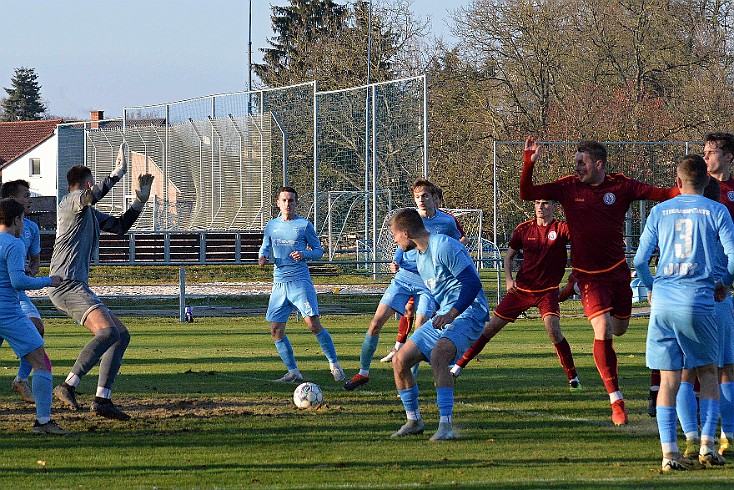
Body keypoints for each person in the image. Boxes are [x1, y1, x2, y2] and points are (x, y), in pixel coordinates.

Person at [520, 136, 679, 425]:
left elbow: (663, 193)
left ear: (598, 164)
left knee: (619, 330)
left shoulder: (621, 186)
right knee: (603, 330)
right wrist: (528, 163)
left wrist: (690, 187)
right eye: (576, 162)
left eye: (582, 162)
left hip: (618, 273)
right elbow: (527, 191)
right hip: (589, 277)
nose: (577, 166)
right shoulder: (568, 186)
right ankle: (616, 401)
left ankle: (655, 380)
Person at [634, 154, 734, 471]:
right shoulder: (716, 210)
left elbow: (638, 261)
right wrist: (724, 284)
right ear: (707, 182)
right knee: (708, 372)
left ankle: (669, 455)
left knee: (669, 380)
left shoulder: (660, 211)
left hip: (662, 303)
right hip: (698, 300)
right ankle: (707, 446)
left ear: (677, 182)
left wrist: (652, 286)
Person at [51, 143, 154, 421]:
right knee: (107, 333)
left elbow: (120, 227)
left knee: (120, 335)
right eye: (92, 185)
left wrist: (139, 202)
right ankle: (68, 385)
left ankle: (102, 399)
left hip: (77, 286)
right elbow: (91, 197)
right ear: (85, 184)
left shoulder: (88, 213)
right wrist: (118, 173)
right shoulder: (70, 201)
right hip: (66, 284)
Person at [450, 200, 581, 391]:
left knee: (554, 331)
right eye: (537, 203)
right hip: (521, 291)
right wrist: (509, 280)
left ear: (554, 207)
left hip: (547, 292)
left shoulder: (561, 228)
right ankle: (458, 367)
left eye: (545, 204)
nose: (540, 207)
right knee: (490, 330)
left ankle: (573, 378)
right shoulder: (524, 229)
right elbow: (508, 257)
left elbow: (580, 240)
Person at [388, 208, 489, 440]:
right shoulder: (420, 257)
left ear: (405, 232)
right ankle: (413, 421)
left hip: (469, 313)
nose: (394, 240)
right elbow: (437, 292)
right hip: (445, 314)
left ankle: (445, 426)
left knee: (439, 355)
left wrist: (452, 314)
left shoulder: (444, 246)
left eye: (394, 235)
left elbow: (472, 284)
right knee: (399, 360)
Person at [258, 186, 345, 383]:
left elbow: (318, 251)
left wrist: (304, 254)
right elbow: (265, 246)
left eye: (291, 200)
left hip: (300, 282)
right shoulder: (271, 226)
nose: (288, 204)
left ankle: (334, 364)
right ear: (278, 203)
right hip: (279, 284)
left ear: (297, 203)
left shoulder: (304, 225)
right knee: (275, 330)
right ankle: (293, 372)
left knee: (313, 325)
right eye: (284, 200)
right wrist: (262, 256)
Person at [0, 198, 67, 434]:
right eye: (23, 219)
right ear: (17, 219)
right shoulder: (14, 243)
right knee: (42, 362)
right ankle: (43, 422)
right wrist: (49, 280)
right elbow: (18, 282)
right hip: (8, 312)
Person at [380, 180, 465, 363]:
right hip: (410, 275)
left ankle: (441, 354)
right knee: (410, 310)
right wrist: (397, 261)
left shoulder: (447, 220)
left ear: (436, 199)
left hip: (433, 277)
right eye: (418, 197)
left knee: (433, 317)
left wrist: (452, 253)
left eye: (426, 196)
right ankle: (401, 348)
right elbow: (403, 240)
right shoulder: (412, 218)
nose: (422, 200)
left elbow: (460, 238)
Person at [701, 131, 734, 456]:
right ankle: (713, 434)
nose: (706, 157)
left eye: (711, 152)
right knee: (712, 366)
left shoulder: (730, 193)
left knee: (724, 365)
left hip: (725, 287)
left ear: (728, 157)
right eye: (705, 152)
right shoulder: (698, 191)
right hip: (708, 288)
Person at [0, 180, 45, 403]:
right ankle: (43, 420)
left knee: (37, 328)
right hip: (8, 293)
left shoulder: (31, 228)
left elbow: (35, 262)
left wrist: (30, 272)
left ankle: (21, 379)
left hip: (17, 294)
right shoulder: (5, 232)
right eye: (25, 196)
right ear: (11, 201)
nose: (29, 200)